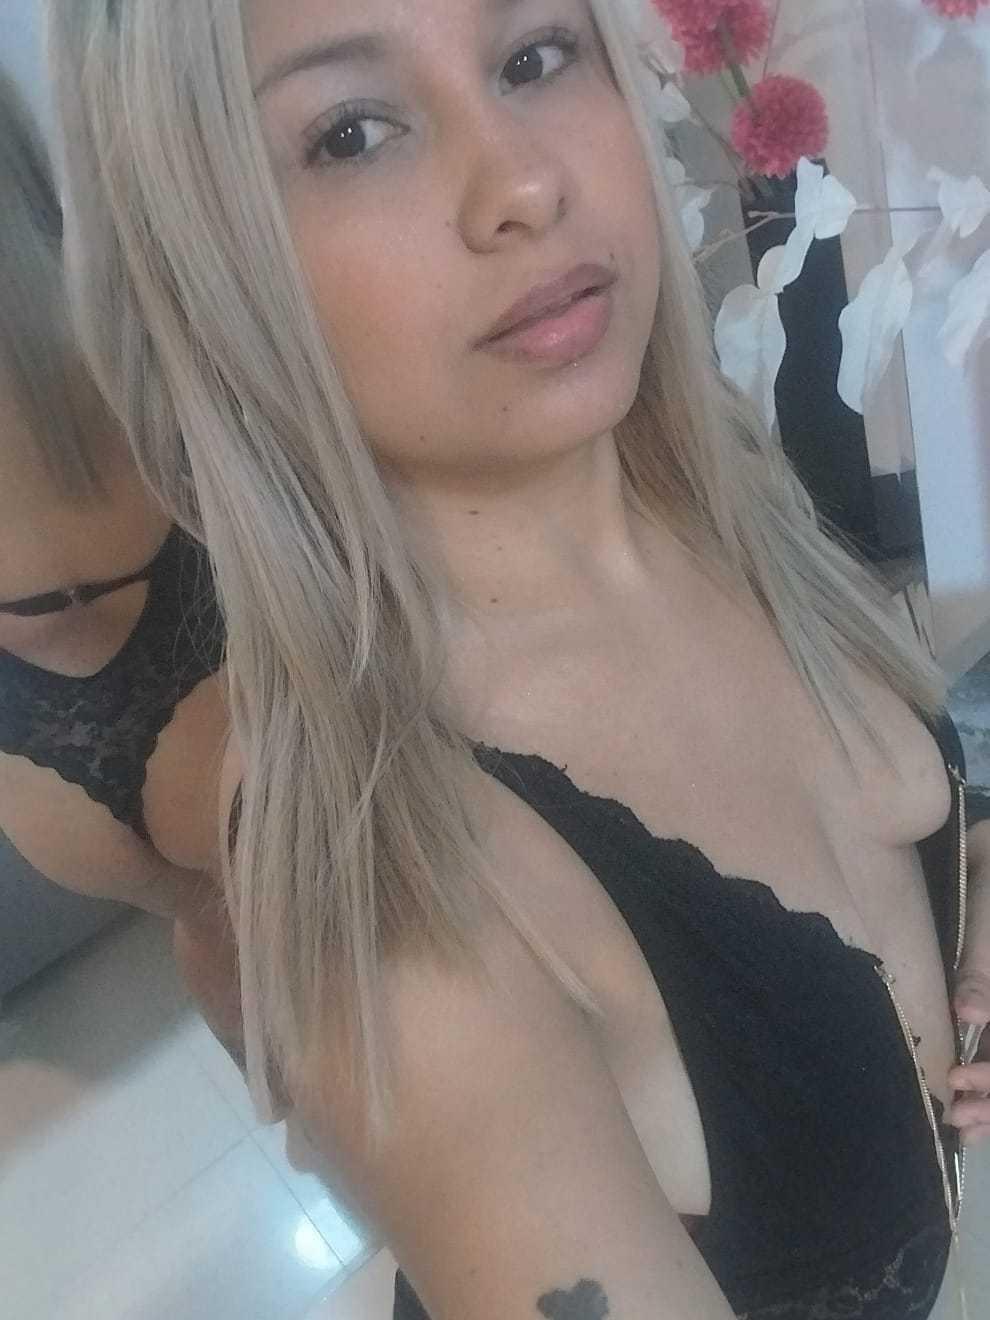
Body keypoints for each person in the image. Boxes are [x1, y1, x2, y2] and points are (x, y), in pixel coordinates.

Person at [47, 1, 990, 1317]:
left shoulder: (712, 486)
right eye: (352, 132)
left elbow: (892, 825)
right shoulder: (408, 906)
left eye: (534, 58)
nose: (526, 185)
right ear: (204, 256)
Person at [0, 69, 241, 1060]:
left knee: (218, 924)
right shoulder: (136, 313)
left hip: (48, 771)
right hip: (201, 688)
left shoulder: (135, 310)